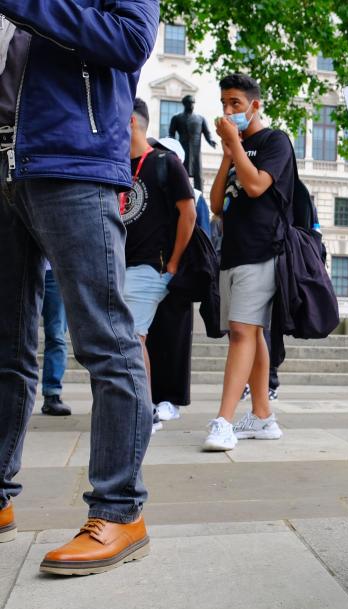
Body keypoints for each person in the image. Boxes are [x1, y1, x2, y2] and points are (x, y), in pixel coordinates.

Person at [0, 1, 158, 573]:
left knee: (107, 343)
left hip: (74, 162)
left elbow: (130, 38)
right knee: (7, 349)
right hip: (7, 165)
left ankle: (119, 511)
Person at [206, 73, 292, 451]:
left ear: (255, 105)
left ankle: (223, 420)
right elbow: (214, 203)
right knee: (251, 334)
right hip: (233, 252)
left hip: (263, 250)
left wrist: (236, 148)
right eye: (224, 103)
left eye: (236, 104)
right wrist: (228, 153)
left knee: (241, 332)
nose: (228, 111)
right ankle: (262, 416)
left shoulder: (275, 141)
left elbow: (257, 185)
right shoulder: (234, 146)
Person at [123, 98, 197, 435]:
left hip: (150, 268)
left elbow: (189, 213)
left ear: (131, 123)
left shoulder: (166, 162)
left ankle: (145, 412)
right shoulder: (119, 165)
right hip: (120, 266)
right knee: (127, 339)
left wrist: (173, 265)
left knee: (133, 338)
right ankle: (135, 408)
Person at [39, 261, 71, 417]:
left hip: (54, 270)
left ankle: (52, 394)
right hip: (23, 266)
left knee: (56, 335)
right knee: (18, 334)